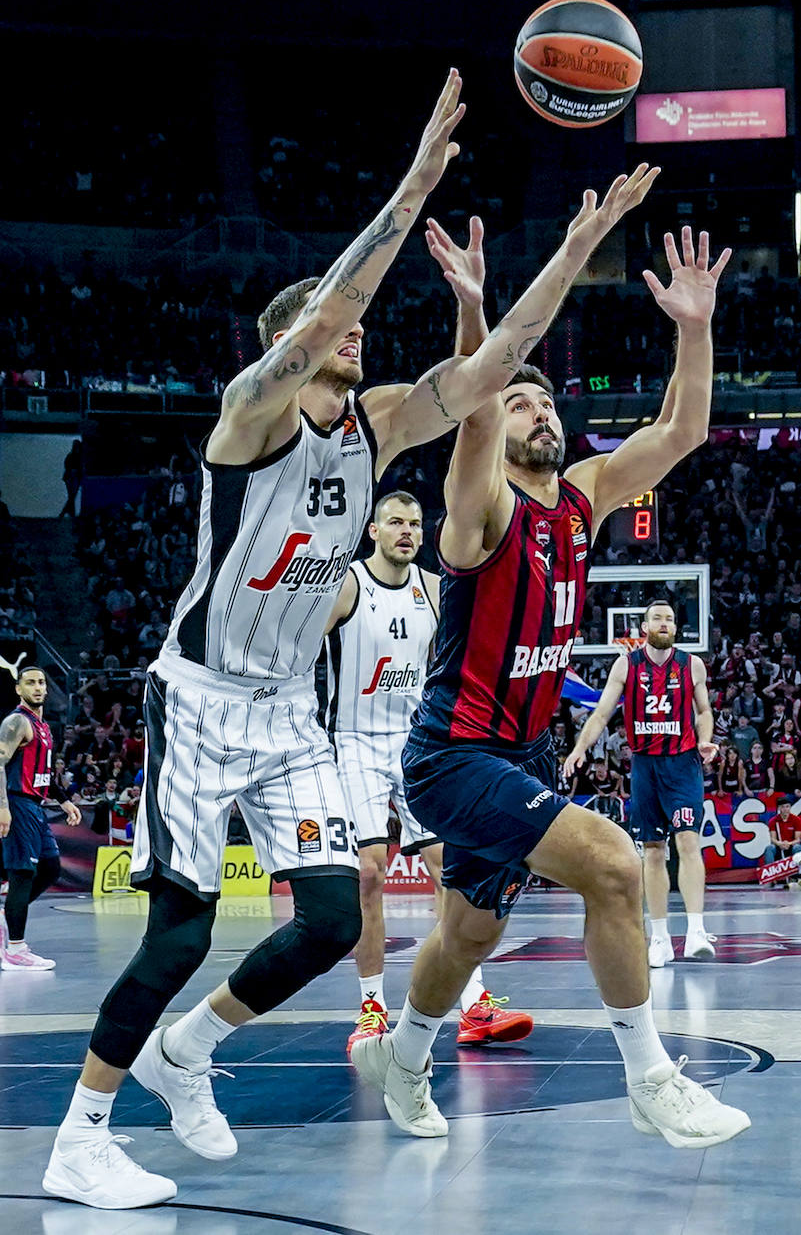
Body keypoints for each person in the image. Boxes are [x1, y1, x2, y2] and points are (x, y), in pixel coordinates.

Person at [45, 72, 660, 1208]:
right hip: (200, 692)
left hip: (289, 711)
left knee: (335, 919)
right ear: (288, 347)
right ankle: (79, 1136)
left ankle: (190, 1052)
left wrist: (577, 249)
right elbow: (330, 308)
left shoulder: (376, 429)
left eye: (359, 332)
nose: (357, 338)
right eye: (336, 332)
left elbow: (490, 372)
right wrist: (418, 179)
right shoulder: (249, 414)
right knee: (179, 928)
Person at [352, 221, 750, 1149]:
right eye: (520, 402)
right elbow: (477, 403)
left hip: (525, 753)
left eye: (543, 401)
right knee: (614, 867)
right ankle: (652, 1078)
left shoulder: (583, 495)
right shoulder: (478, 508)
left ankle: (402, 1063)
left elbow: (683, 429)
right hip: (454, 755)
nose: (535, 412)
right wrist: (474, 311)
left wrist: (693, 324)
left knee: (467, 940)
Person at [322, 489, 532, 1054]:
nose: (407, 532)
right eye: (395, 522)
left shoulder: (434, 590)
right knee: (369, 875)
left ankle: (474, 1003)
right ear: (372, 530)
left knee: (451, 869)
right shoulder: (346, 587)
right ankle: (371, 1009)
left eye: (415, 523)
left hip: (417, 743)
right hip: (354, 743)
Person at [564, 601, 718, 967]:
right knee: (652, 849)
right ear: (644, 626)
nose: (664, 623)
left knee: (688, 840)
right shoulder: (626, 665)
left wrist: (705, 739)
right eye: (657, 618)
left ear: (676, 628)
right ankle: (660, 937)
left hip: (683, 764)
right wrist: (579, 749)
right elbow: (601, 712)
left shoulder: (691, 664)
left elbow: (704, 711)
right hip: (645, 766)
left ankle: (696, 930)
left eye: (669, 619)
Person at [0, 665, 82, 970]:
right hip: (18, 804)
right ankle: (15, 951)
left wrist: (64, 801)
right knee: (22, 874)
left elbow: (44, 773)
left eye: (41, 682)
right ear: (19, 689)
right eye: (30, 683)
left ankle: (7, 916)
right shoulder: (17, 722)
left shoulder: (44, 726)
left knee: (50, 868)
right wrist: (3, 806)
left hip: (35, 806)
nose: (37, 687)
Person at [764, 795, 801, 887]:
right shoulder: (773, 821)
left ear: (790, 807)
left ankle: (795, 876)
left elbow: (798, 839)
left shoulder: (797, 820)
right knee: (769, 848)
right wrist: (779, 843)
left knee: (798, 847)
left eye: (787, 806)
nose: (785, 809)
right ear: (779, 808)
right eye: (783, 807)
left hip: (791, 846)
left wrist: (788, 843)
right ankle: (771, 877)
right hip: (779, 847)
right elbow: (773, 839)